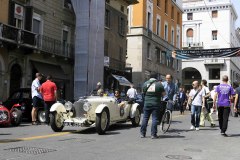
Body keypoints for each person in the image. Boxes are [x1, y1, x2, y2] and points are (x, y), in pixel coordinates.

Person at [140, 73, 165, 139]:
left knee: (145, 118)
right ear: (156, 77)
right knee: (155, 119)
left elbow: (143, 93)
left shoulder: (145, 83)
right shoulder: (159, 84)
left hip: (147, 103)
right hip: (156, 104)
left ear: (150, 77)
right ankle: (153, 134)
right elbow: (164, 94)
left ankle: (142, 133)